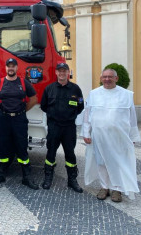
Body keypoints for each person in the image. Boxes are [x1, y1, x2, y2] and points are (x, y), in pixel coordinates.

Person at [82, 68, 141, 202]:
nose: (107, 79)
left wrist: (133, 137)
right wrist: (86, 133)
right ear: (101, 78)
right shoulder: (94, 94)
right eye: (104, 77)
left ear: (116, 78)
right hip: (99, 136)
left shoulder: (126, 95)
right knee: (101, 162)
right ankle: (104, 187)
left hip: (118, 137)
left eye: (110, 77)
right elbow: (87, 114)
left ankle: (117, 189)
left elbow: (132, 117)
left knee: (118, 162)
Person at [0, 58, 39, 190]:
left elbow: (34, 99)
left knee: (21, 147)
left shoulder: (24, 83)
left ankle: (27, 176)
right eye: (8, 66)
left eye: (13, 66)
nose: (10, 68)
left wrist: (23, 110)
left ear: (17, 68)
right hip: (3, 119)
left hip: (19, 119)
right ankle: (0, 174)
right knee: (3, 147)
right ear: (5, 68)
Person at [40, 62, 84, 192]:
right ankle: (48, 178)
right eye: (59, 71)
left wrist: (71, 115)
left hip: (69, 127)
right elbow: (44, 106)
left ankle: (72, 180)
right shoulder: (49, 89)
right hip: (54, 126)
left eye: (64, 71)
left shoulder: (75, 89)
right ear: (56, 73)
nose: (62, 73)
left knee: (70, 154)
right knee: (51, 153)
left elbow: (80, 106)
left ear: (68, 72)